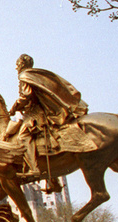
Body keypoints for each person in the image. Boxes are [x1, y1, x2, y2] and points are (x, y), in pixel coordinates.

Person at [5, 54, 89, 190]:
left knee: (23, 136)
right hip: (35, 111)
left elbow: (26, 96)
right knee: (41, 141)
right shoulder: (32, 75)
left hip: (36, 113)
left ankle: (34, 170)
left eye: (17, 64)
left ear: (22, 64)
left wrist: (14, 107)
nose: (16, 67)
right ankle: (52, 179)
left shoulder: (25, 75)